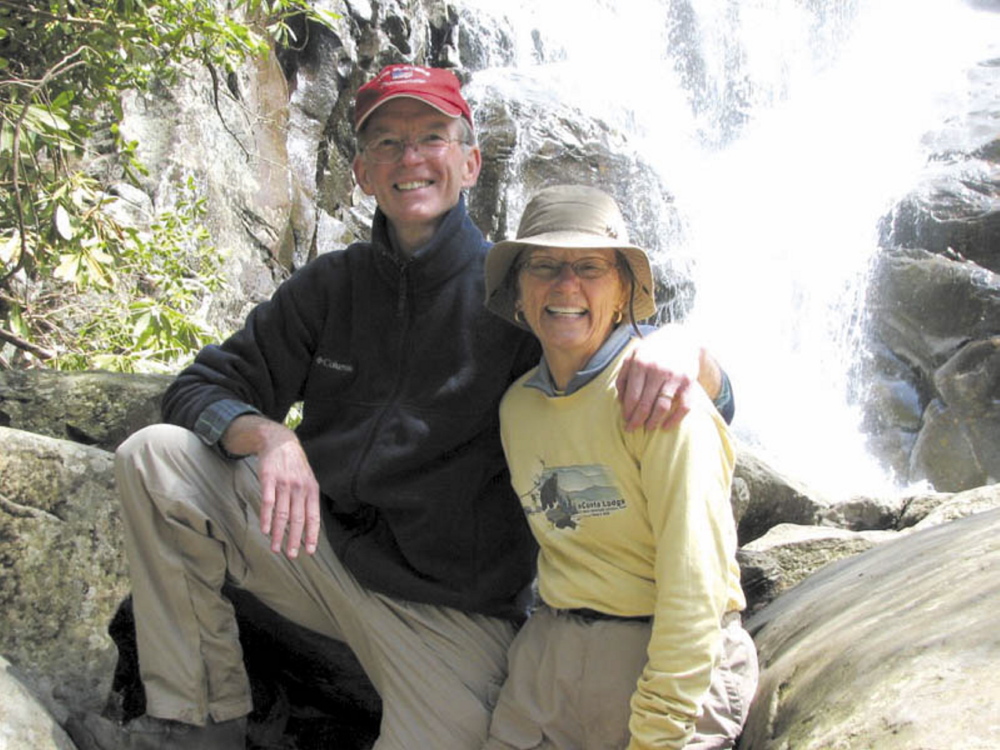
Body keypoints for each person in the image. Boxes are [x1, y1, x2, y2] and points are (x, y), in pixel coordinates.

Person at [72, 66, 735, 750]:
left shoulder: (520, 302)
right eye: (386, 143)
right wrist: (270, 437)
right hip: (318, 555)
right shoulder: (330, 287)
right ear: (361, 172)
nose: (409, 158)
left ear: (470, 161)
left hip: (450, 613)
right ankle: (197, 725)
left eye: (431, 138)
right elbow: (195, 388)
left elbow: (618, 356)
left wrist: (689, 351)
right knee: (156, 458)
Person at [480, 185, 758, 750]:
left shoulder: (660, 398)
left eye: (589, 267)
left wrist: (660, 725)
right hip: (549, 661)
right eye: (544, 265)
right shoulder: (518, 409)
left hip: (666, 660)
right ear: (517, 289)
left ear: (625, 289)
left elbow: (696, 583)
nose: (565, 285)